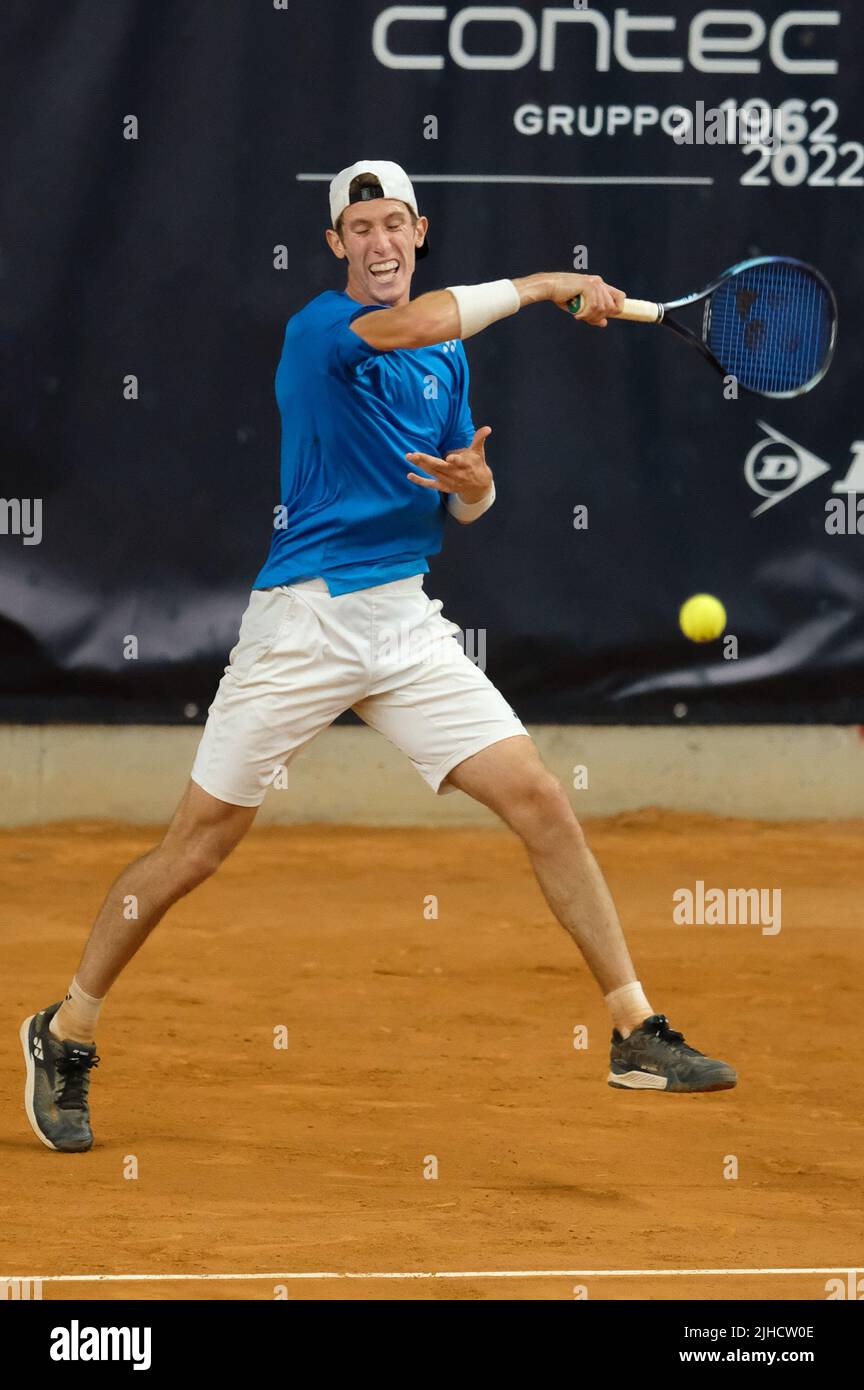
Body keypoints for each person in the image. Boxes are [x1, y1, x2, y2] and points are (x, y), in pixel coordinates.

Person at [21, 159, 736, 1154]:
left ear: (419, 229)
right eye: (360, 226)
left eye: (394, 222)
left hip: (403, 623)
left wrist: (476, 483)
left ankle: (631, 1028)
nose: (379, 240)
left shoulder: (445, 363)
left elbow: (464, 496)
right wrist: (540, 284)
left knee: (539, 797)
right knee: (197, 848)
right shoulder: (322, 329)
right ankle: (66, 1028)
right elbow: (424, 321)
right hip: (304, 625)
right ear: (337, 246)